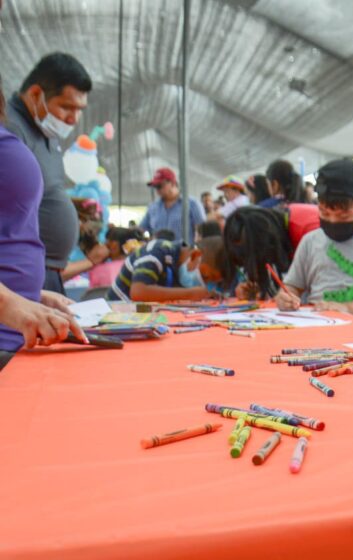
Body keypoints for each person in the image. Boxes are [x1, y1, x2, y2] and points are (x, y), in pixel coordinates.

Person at [0, 70, 86, 370]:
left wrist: (27, 295)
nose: (72, 119)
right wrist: (9, 304)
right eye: (67, 107)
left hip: (17, 338)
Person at [4, 53, 92, 294]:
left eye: (80, 109)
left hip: (46, 277)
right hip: (14, 283)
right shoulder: (10, 130)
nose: (73, 118)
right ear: (35, 94)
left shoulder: (47, 135)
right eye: (66, 107)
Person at [275, 159, 353, 318]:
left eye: (343, 215)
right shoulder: (310, 241)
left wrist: (347, 308)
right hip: (316, 323)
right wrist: (285, 296)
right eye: (325, 213)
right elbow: (292, 286)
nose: (333, 221)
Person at [105, 237, 225, 302]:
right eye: (205, 276)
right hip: (117, 313)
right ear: (195, 256)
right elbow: (138, 292)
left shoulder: (178, 269)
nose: (205, 284)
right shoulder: (157, 251)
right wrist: (190, 293)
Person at [138, 167, 205, 245]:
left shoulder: (192, 204)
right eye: (155, 187)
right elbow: (141, 229)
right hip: (159, 254)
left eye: (159, 186)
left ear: (172, 183)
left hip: (184, 254)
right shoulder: (152, 207)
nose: (157, 190)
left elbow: (202, 231)